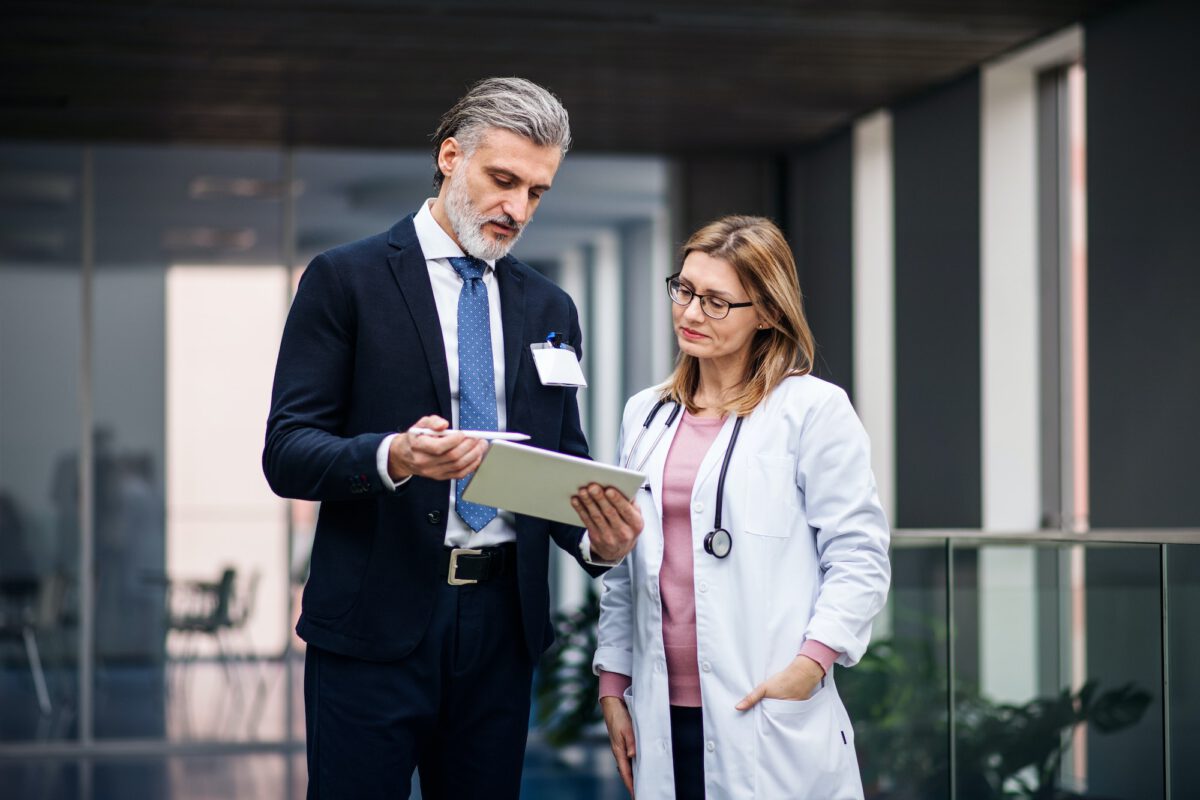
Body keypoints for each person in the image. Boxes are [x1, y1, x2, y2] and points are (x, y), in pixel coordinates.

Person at [263, 77, 643, 800]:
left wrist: (599, 539)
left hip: (501, 631)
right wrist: (395, 456)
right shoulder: (345, 280)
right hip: (375, 624)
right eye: (503, 181)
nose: (517, 209)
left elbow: (561, 463)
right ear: (449, 157)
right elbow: (287, 450)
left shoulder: (549, 305)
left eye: (537, 192)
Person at [585, 216, 891, 800]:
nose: (691, 313)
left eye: (717, 301)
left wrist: (811, 666)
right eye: (685, 290)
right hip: (659, 707)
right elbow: (631, 571)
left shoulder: (812, 410)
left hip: (764, 703)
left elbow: (859, 556)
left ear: (768, 312)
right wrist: (613, 683)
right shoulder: (646, 414)